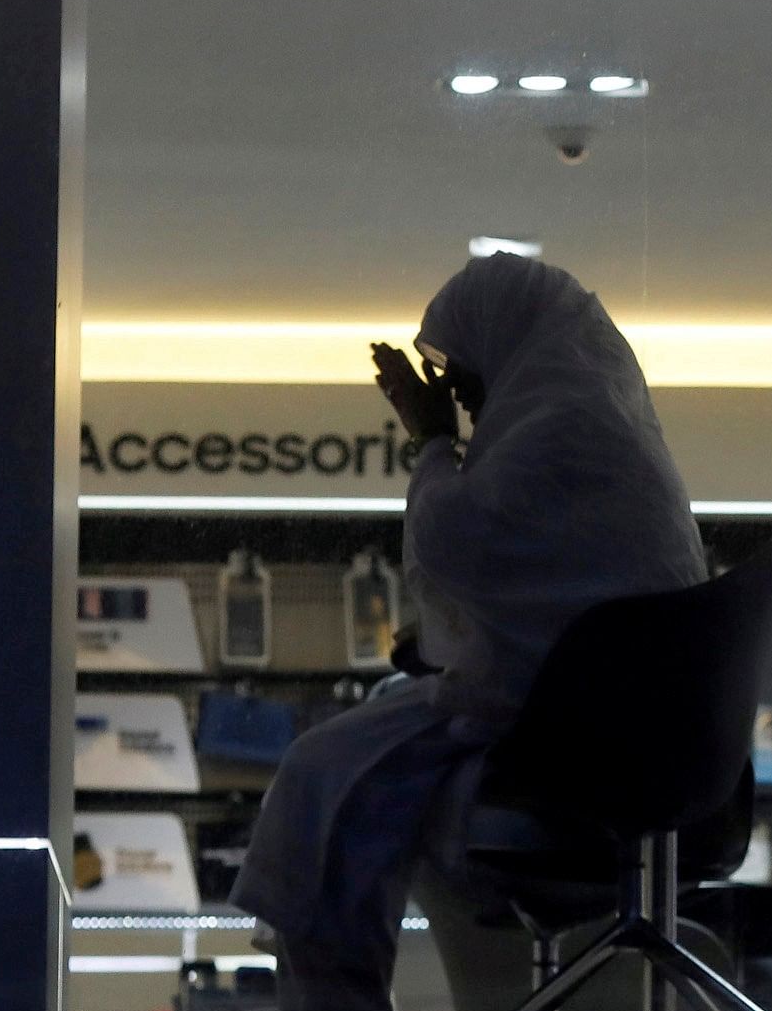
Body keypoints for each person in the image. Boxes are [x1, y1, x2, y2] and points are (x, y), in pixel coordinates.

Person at [235, 254, 706, 1010]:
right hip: (637, 743)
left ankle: (331, 992)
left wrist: (429, 441)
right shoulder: (606, 436)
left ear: (506, 343)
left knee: (325, 769)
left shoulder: (555, 435)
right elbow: (553, 602)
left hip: (566, 749)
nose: (455, 390)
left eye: (461, 370)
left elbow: (452, 539)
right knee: (374, 730)